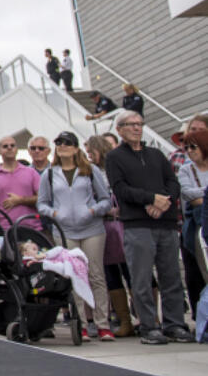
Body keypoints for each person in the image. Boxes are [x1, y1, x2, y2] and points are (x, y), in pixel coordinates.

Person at [105, 110, 194, 344]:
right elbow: (120, 188)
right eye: (130, 124)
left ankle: (174, 324)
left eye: (139, 123)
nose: (136, 128)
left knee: (171, 277)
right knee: (142, 279)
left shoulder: (156, 154)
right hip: (137, 225)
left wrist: (162, 202)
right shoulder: (114, 157)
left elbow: (172, 183)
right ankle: (148, 326)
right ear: (119, 129)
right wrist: (150, 199)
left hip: (165, 222)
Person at [37, 132, 113, 340]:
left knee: (96, 274)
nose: (62, 146)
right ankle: (82, 324)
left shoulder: (90, 170)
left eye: (67, 143)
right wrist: (54, 213)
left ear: (76, 147)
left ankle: (103, 323)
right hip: (65, 230)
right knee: (74, 275)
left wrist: (91, 211)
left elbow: (106, 200)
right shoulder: (50, 174)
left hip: (92, 229)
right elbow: (42, 203)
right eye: (59, 143)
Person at [86, 134, 134, 338]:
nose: (89, 156)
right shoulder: (90, 172)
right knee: (110, 275)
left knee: (133, 272)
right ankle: (125, 320)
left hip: (124, 224)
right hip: (102, 225)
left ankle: (148, 318)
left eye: (91, 152)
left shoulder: (117, 167)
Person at [176, 121, 208, 319]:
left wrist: (202, 197)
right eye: (185, 147)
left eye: (193, 146)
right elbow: (188, 194)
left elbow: (198, 198)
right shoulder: (186, 170)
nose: (188, 151)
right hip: (197, 227)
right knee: (201, 272)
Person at [0, 136, 41, 229]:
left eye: (12, 145)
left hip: (33, 228)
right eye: (5, 146)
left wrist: (20, 200)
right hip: (6, 230)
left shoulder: (31, 172)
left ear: (17, 149)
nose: (9, 148)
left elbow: (42, 199)